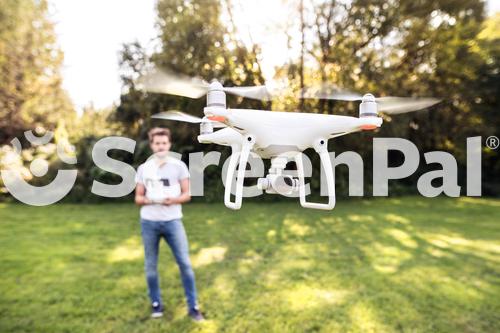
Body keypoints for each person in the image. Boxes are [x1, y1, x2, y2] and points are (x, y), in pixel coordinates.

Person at [134, 127, 204, 321]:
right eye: (157, 143)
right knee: (150, 267)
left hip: (173, 221)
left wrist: (172, 200)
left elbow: (187, 194)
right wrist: (152, 200)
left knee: (185, 264)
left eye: (164, 143)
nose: (161, 146)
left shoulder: (179, 166)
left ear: (169, 144)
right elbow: (138, 198)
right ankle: (156, 304)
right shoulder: (144, 168)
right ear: (152, 145)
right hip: (149, 222)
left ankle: (193, 307)